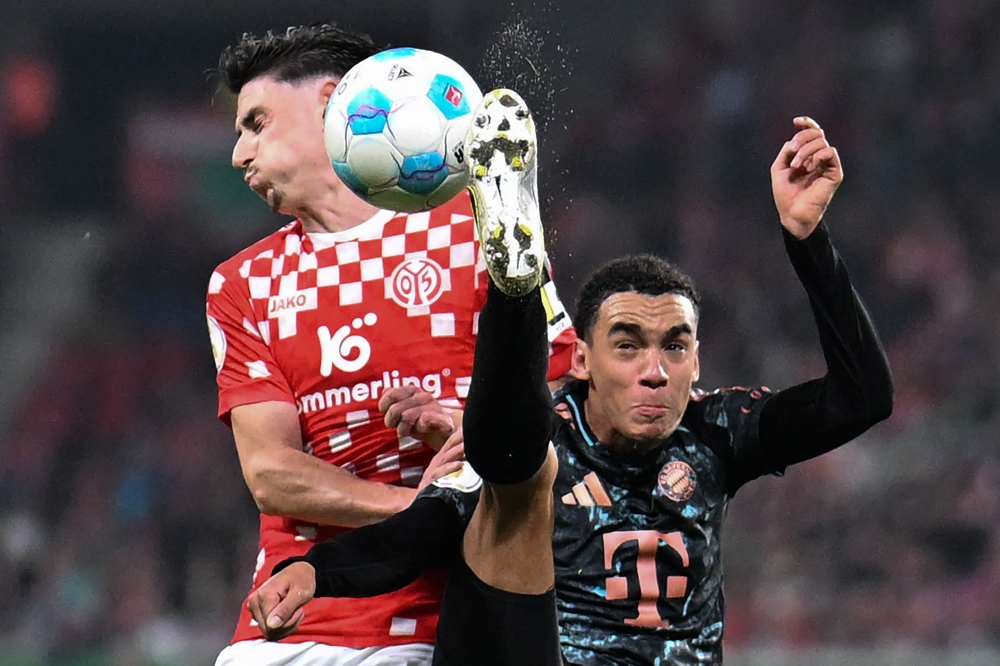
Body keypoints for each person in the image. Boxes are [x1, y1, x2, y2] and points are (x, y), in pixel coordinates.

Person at [247, 110, 894, 666]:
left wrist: (809, 242)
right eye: (628, 345)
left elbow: (860, 399)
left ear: (698, 362)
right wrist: (313, 572)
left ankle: (513, 280)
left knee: (514, 455)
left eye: (676, 346)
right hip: (515, 642)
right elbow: (417, 533)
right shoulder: (550, 428)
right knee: (519, 464)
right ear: (579, 358)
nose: (654, 369)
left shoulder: (717, 432)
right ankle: (514, 284)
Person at [206, 24, 576, 666]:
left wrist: (475, 433)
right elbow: (271, 474)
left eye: (256, 123)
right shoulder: (242, 283)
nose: (239, 154)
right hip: (301, 623)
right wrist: (426, 509)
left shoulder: (477, 225)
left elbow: (566, 403)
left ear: (331, 104)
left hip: (457, 619)